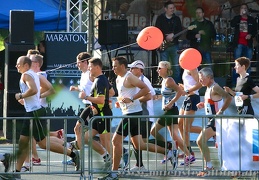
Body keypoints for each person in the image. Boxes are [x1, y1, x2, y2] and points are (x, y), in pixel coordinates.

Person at [98, 56, 175, 180]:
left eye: (115, 66)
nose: (113, 68)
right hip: (130, 113)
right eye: (112, 66)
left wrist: (133, 98)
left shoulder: (129, 77)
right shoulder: (118, 78)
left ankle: (114, 172)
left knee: (115, 142)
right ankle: (168, 152)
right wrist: (120, 101)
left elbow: (145, 89)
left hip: (132, 114)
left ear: (123, 66)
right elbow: (124, 95)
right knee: (139, 144)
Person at [4, 56, 80, 179]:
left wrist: (21, 95)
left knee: (42, 143)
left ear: (26, 65)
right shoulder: (34, 75)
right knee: (26, 143)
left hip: (34, 113)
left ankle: (73, 155)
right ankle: (16, 173)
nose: (16, 66)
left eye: (19, 64)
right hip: (33, 112)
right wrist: (32, 97)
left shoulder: (26, 75)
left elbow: (34, 90)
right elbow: (42, 90)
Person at [150, 61, 193, 166]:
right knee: (174, 135)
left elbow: (179, 92)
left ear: (166, 68)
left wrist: (170, 103)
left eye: (159, 68)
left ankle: (169, 149)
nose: (157, 70)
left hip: (171, 110)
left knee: (153, 131)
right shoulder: (164, 81)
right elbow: (167, 95)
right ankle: (187, 155)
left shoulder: (169, 80)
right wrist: (157, 97)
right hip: (169, 110)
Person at [196, 67, 232, 177]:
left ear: (209, 77)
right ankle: (229, 168)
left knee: (200, 140)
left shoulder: (215, 87)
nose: (200, 80)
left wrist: (221, 111)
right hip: (212, 120)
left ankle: (210, 166)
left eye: (201, 78)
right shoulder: (208, 88)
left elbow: (228, 98)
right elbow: (213, 102)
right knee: (221, 146)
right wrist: (204, 105)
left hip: (216, 121)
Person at [127, 60, 155, 171]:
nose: (130, 70)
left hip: (145, 115)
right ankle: (139, 165)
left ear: (140, 70)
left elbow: (149, 96)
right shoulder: (135, 80)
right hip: (138, 114)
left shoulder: (144, 80)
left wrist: (134, 101)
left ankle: (168, 148)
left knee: (141, 142)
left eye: (133, 68)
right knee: (136, 141)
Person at [178, 68, 202, 165]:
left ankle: (212, 132)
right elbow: (190, 84)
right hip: (187, 97)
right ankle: (188, 152)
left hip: (193, 97)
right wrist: (183, 87)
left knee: (187, 128)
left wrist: (188, 90)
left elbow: (200, 84)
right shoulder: (185, 68)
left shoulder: (193, 68)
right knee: (180, 124)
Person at [230, 3, 257, 87]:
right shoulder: (237, 18)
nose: (244, 9)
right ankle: (235, 84)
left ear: (247, 10)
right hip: (238, 44)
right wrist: (240, 16)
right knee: (237, 64)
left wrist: (251, 35)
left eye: (245, 8)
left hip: (248, 44)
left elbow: (255, 31)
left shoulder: (251, 20)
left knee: (247, 64)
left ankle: (246, 84)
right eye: (242, 8)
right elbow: (232, 24)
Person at [155, 1, 182, 84]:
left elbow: (180, 30)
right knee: (164, 66)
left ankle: (176, 84)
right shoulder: (160, 18)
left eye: (173, 8)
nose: (172, 10)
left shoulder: (176, 19)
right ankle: (165, 83)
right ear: (165, 9)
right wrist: (164, 37)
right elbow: (157, 31)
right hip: (164, 45)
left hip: (174, 45)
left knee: (176, 66)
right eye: (170, 8)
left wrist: (173, 35)